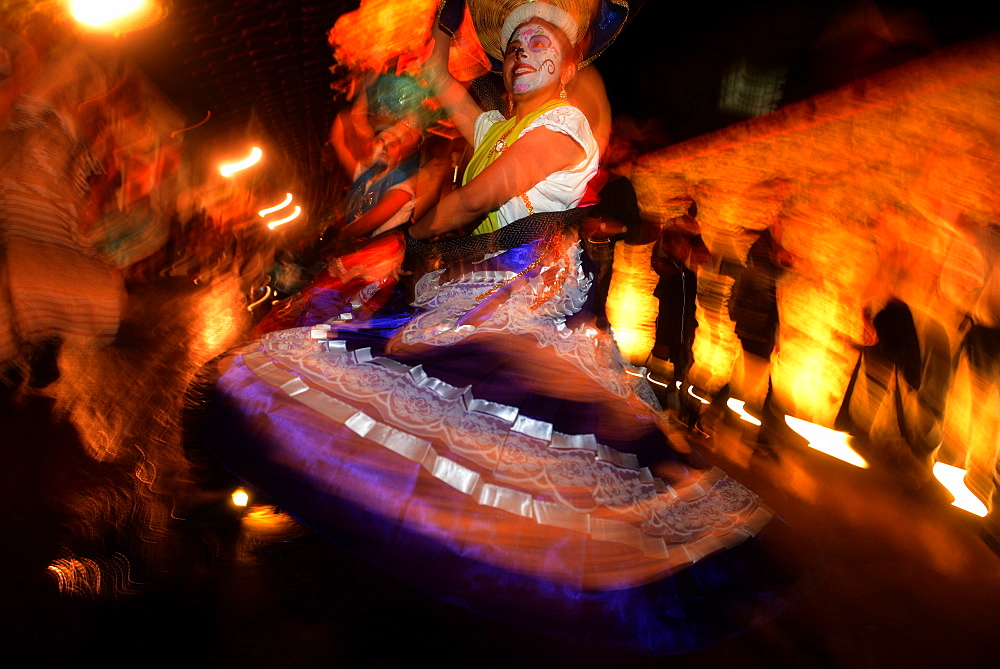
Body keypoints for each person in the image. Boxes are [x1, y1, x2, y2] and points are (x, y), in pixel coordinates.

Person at [205, 0, 811, 654]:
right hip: (475, 290)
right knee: (446, 422)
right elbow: (439, 78)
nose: (522, 53)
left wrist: (416, 231)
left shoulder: (565, 125)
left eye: (541, 40)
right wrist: (442, 14)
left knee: (524, 430)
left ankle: (515, 597)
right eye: (516, 43)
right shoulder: (497, 123)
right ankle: (444, 580)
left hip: (532, 295)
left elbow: (480, 195)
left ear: (573, 59)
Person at [252, 79, 422, 334]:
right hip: (355, 256)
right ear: (370, 147)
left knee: (335, 319)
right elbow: (340, 138)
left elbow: (368, 224)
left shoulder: (401, 187)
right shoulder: (364, 176)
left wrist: (335, 240)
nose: (385, 146)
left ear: (401, 154)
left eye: (393, 144)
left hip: (379, 265)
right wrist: (362, 89)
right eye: (380, 140)